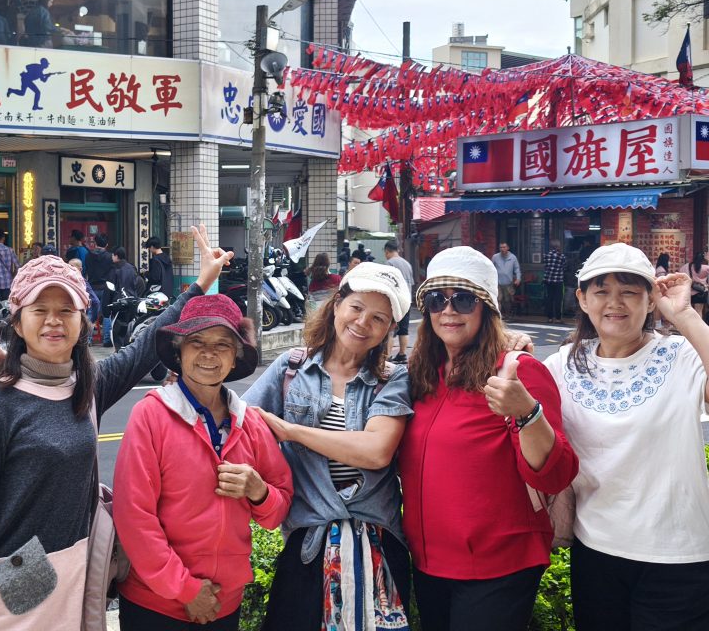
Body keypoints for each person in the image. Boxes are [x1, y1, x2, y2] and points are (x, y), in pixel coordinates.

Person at [0, 226, 233, 630]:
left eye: (66, 310)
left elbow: (145, 346)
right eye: (39, 310)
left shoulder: (88, 387)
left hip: (79, 568)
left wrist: (199, 286)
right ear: (18, 323)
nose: (53, 321)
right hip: (18, 578)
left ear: (82, 322)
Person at [399, 246, 578, 631]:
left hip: (499, 565)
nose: (448, 311)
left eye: (463, 299)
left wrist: (527, 413)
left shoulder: (516, 371)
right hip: (429, 562)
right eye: (437, 300)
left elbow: (555, 475)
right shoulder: (423, 374)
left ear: (487, 308)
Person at [543, 243, 709, 630]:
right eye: (601, 291)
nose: (615, 302)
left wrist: (684, 315)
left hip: (678, 558)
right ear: (583, 299)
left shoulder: (681, 355)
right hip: (596, 552)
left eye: (630, 291)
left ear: (650, 301)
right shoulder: (560, 366)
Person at [244, 262, 416, 630]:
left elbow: (376, 451)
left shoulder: (392, 379)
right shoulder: (291, 369)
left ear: (389, 329)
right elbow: (241, 428)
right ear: (337, 304)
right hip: (308, 545)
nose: (362, 323)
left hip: (379, 543)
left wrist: (292, 432)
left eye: (378, 318)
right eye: (356, 307)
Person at [113, 295, 294, 629]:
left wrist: (258, 492)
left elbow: (277, 511)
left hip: (225, 603)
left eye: (222, 345)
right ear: (179, 351)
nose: (209, 354)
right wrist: (187, 590)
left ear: (235, 357)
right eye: (196, 342)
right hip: (155, 605)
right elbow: (134, 517)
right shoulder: (150, 415)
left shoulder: (250, 423)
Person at [385, 240, 414, 363]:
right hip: (407, 300)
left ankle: (387, 356)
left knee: (390, 330)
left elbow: (387, 284)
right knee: (404, 329)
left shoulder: (389, 263)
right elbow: (411, 283)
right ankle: (402, 355)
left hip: (395, 301)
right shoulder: (407, 264)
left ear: (387, 251)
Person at [86, 235, 114, 346]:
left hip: (92, 287)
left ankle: (88, 339)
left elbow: (86, 270)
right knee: (107, 313)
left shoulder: (88, 255)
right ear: (106, 244)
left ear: (95, 243)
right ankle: (107, 339)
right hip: (105, 288)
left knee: (90, 313)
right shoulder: (109, 257)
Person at [492, 242, 522, 318]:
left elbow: (517, 269)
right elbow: (491, 267)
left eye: (504, 247)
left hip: (508, 283)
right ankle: (499, 315)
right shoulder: (495, 257)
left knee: (507, 300)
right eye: (501, 247)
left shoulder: (512, 257)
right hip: (498, 283)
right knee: (498, 299)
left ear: (508, 248)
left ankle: (508, 314)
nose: (502, 249)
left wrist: (518, 278)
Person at [68, 257, 101, 325]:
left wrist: (90, 320)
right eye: (68, 267)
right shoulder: (68, 281)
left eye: (72, 267)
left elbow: (96, 302)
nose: (69, 269)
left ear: (80, 269)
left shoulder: (83, 283)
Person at [543, 239, 567, 323]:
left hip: (548, 280)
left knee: (549, 298)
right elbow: (564, 267)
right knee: (558, 299)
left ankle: (549, 318)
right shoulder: (562, 256)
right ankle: (558, 318)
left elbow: (545, 266)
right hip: (558, 280)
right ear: (558, 246)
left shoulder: (546, 255)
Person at [686, 249, 708, 320]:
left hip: (692, 291)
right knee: (699, 311)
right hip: (702, 291)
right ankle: (698, 325)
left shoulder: (690, 266)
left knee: (693, 310)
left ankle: (693, 324)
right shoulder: (706, 267)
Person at [654, 252, 670, 331]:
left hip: (659, 290)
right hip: (660, 290)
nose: (669, 262)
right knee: (658, 308)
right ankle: (658, 325)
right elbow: (662, 281)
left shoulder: (659, 268)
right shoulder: (661, 270)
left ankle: (659, 324)